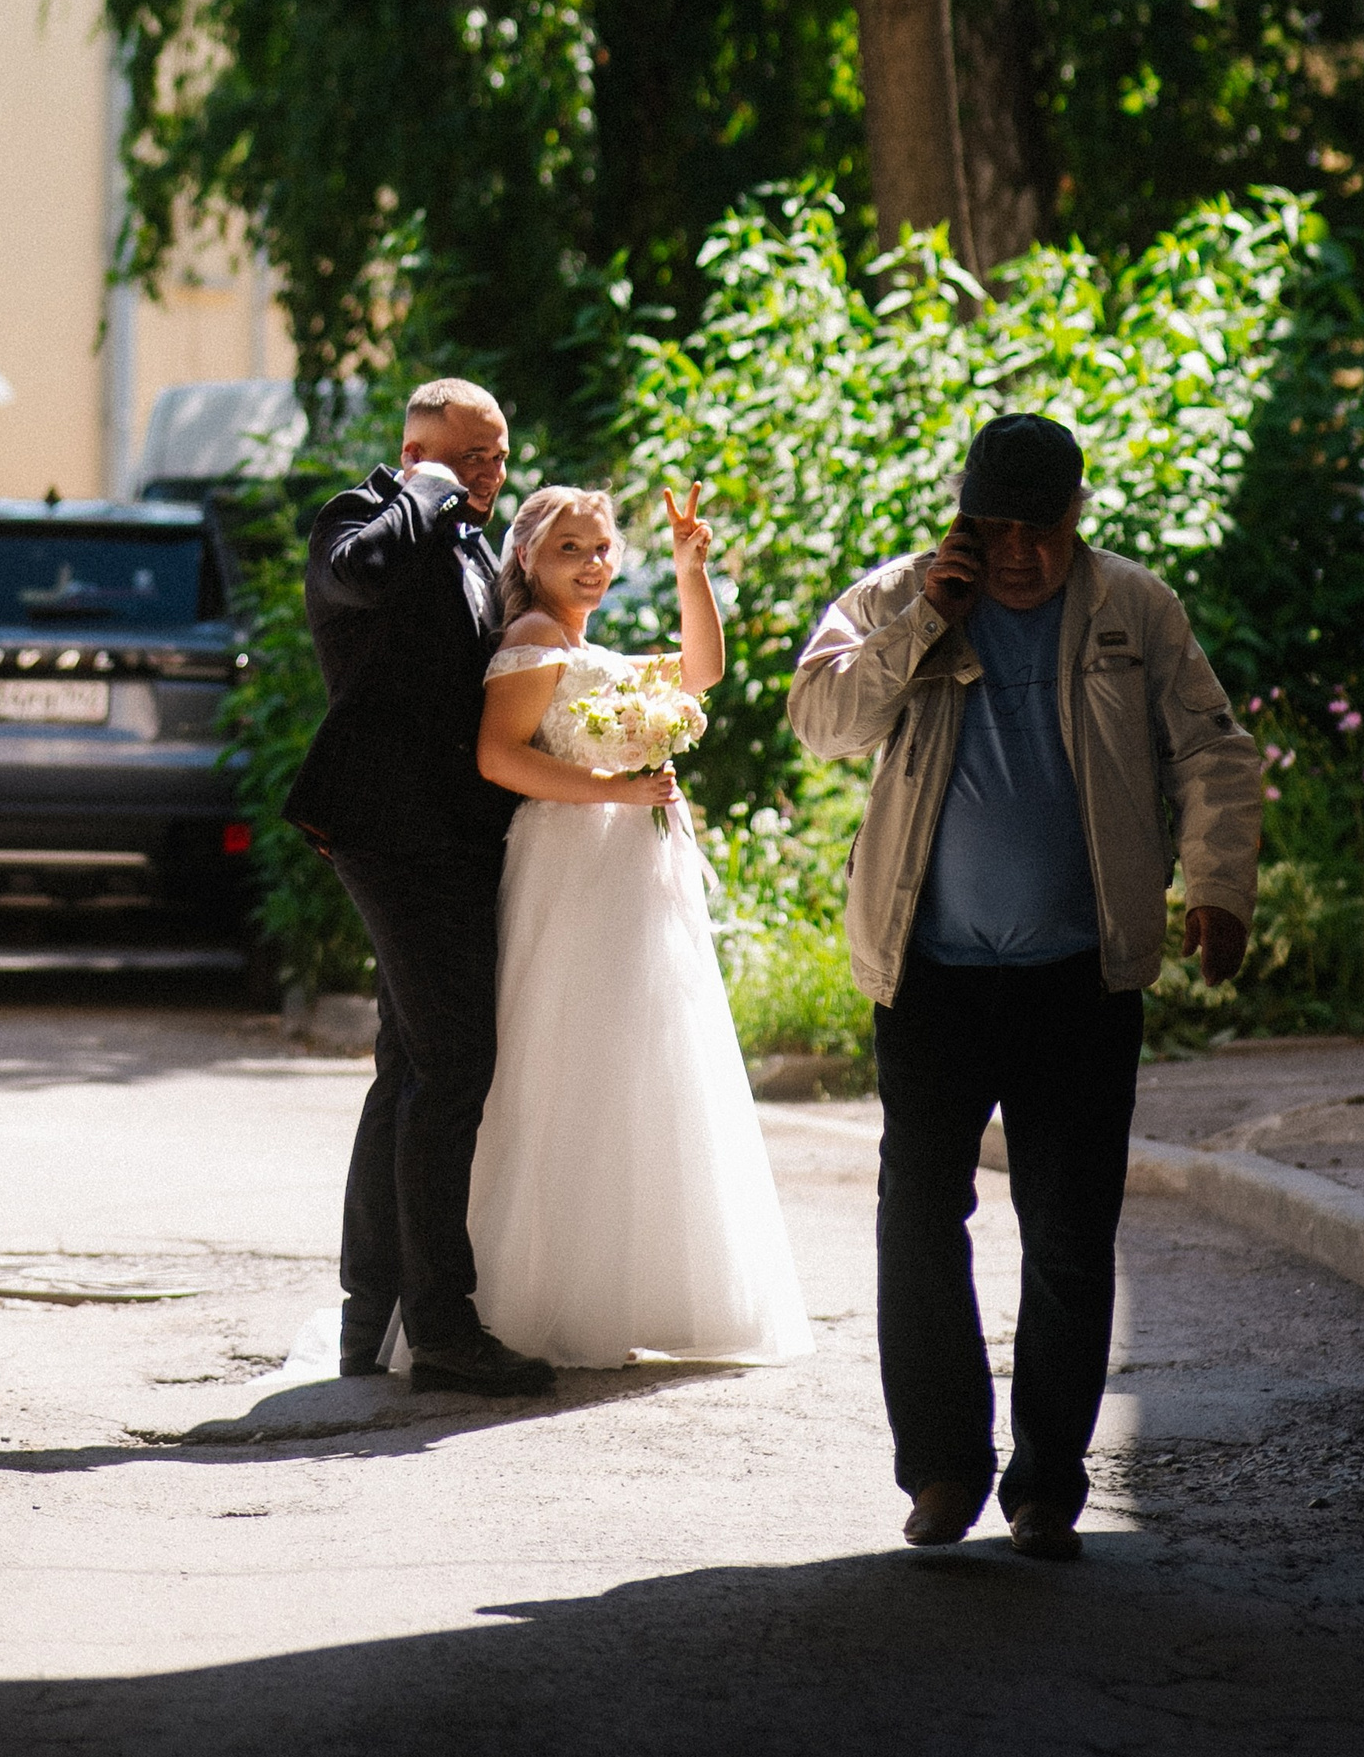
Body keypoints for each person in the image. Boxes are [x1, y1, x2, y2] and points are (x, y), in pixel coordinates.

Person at [789, 411, 1262, 1559]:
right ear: (964, 520)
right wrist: (922, 622)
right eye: (993, 529)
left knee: (1068, 1232)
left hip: (1078, 977)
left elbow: (1212, 748)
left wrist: (1218, 884)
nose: (1015, 554)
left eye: (1038, 532)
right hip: (930, 974)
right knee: (918, 1220)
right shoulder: (899, 595)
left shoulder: (1131, 608)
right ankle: (945, 1469)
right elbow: (821, 726)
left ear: (1075, 518)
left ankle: (1048, 1480)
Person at [466, 483, 811, 1369]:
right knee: (570, 1053)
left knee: (639, 1056)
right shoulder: (534, 642)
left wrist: (693, 572)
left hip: (634, 868)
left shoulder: (593, 650)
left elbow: (701, 672)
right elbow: (500, 757)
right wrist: (617, 792)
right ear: (529, 560)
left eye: (604, 548)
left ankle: (635, 1282)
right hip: (573, 863)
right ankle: (551, 1294)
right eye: (570, 549)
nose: (592, 564)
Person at [284, 375, 553, 1396]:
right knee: (452, 1062)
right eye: (468, 456)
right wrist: (428, 488)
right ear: (418, 451)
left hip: (453, 833)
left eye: (496, 455)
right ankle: (440, 1324)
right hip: (388, 831)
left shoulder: (472, 545)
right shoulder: (368, 517)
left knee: (407, 1067)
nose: (489, 474)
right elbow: (362, 578)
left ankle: (376, 1314)